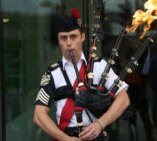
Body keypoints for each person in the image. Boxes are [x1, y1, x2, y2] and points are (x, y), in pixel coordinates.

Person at [33, 9, 130, 141]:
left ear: (83, 37)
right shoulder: (52, 73)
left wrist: (100, 123)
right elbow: (39, 115)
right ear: (58, 40)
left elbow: (123, 99)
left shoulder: (101, 66)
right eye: (63, 38)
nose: (68, 43)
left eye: (73, 36)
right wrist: (66, 139)